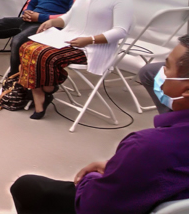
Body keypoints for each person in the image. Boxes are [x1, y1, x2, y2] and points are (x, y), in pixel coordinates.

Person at [10, 35, 189, 214]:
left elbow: (92, 207)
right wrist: (125, 167)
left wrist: (95, 176)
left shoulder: (147, 146)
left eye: (167, 67)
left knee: (27, 187)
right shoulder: (154, 148)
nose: (160, 73)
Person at [14, 0, 133, 120]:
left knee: (43, 54)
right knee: (26, 47)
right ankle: (45, 90)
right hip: (71, 38)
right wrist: (52, 22)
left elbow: (121, 31)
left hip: (93, 46)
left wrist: (90, 40)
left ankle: (46, 90)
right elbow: (70, 17)